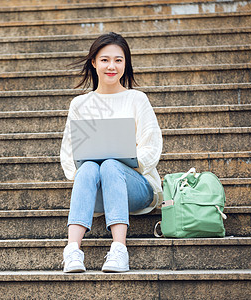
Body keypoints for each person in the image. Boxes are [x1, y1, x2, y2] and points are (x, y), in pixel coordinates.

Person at [60, 32, 163, 273]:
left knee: (110, 165)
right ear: (94, 62)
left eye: (119, 60)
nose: (112, 66)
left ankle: (119, 249)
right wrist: (90, 174)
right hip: (95, 191)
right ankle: (72, 250)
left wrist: (122, 159)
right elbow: (68, 156)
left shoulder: (137, 99)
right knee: (88, 167)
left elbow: (152, 148)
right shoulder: (80, 104)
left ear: (125, 64)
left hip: (136, 187)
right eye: (105, 59)